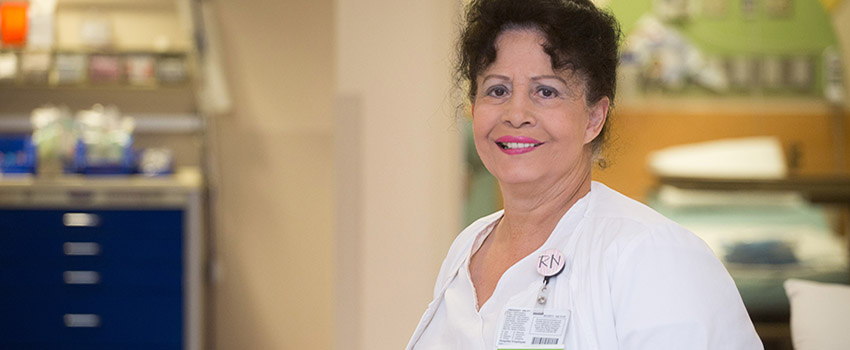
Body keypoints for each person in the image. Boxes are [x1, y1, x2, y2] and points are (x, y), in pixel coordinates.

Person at [407, 0, 763, 349]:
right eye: (497, 90)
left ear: (594, 118)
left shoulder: (650, 255)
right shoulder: (466, 249)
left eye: (546, 91)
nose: (516, 114)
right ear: (473, 109)